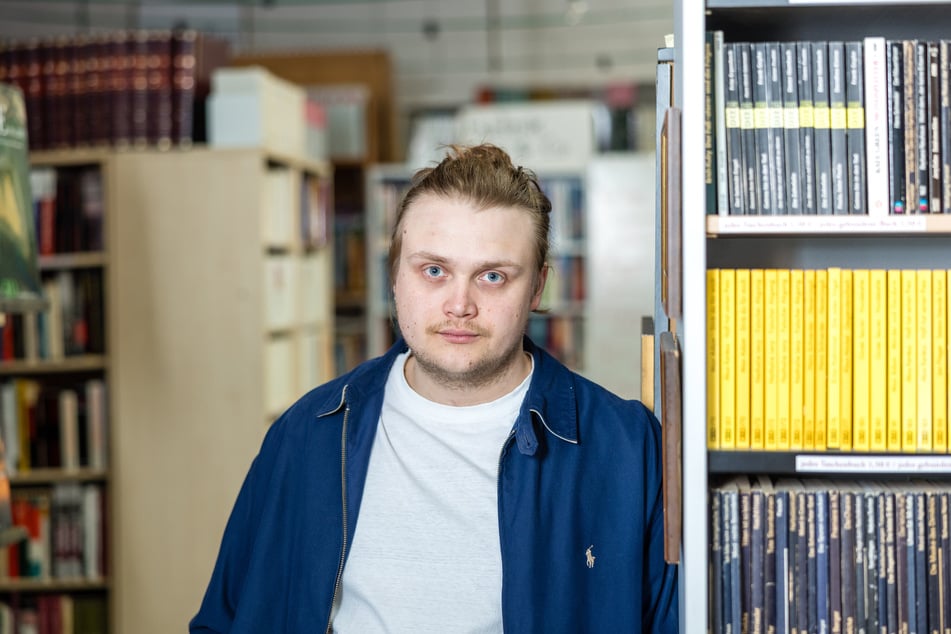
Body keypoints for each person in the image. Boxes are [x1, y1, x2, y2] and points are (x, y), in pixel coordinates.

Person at [190, 144, 679, 633]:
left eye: (492, 276)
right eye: (434, 271)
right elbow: (224, 619)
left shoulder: (628, 449)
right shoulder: (307, 434)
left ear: (536, 288)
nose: (459, 304)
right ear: (395, 279)